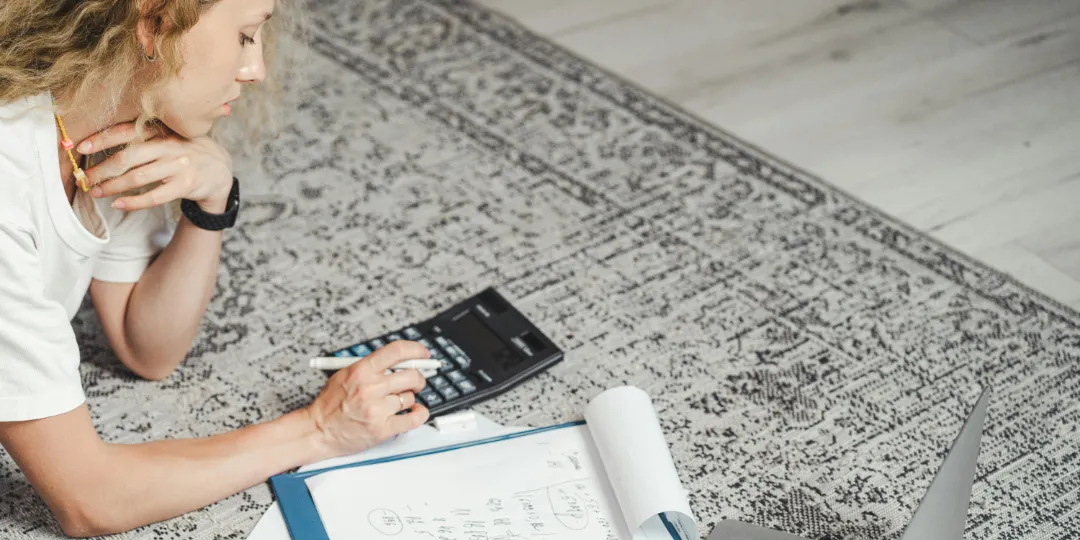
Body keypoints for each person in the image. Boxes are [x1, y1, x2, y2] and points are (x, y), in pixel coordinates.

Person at [0, 0, 431, 536]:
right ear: (153, 23)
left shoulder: (98, 121)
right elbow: (89, 498)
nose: (255, 70)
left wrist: (210, 203)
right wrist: (318, 429)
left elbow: (147, 348)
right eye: (246, 36)